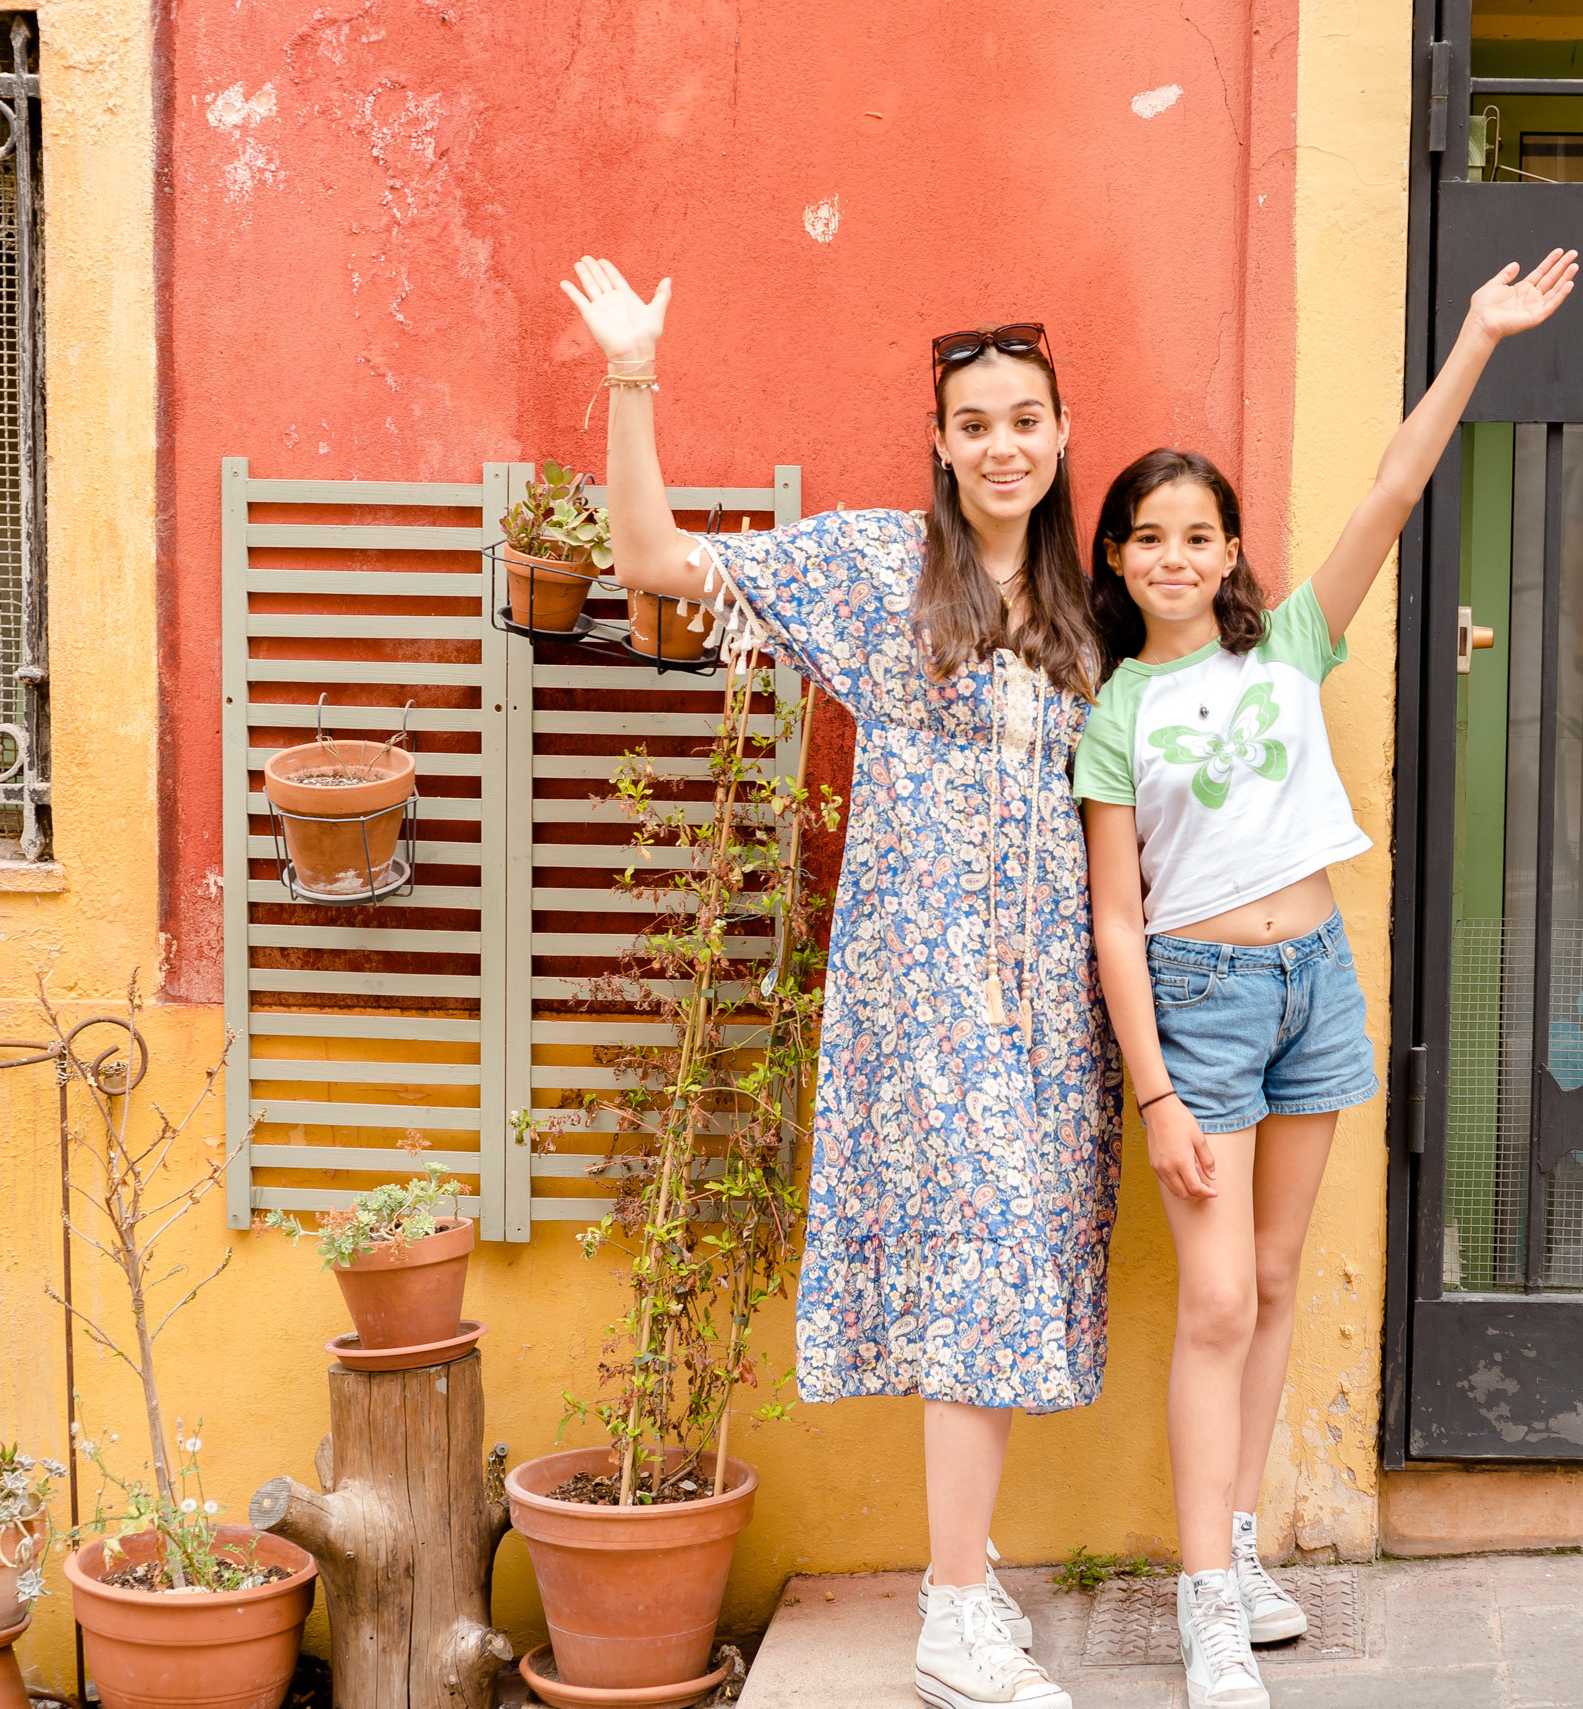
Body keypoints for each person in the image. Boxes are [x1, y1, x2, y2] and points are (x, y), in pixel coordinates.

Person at [560, 259, 1119, 1709]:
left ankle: (967, 1580)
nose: (1004, 445)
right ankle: (950, 1607)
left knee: (993, 1269)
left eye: (1028, 420)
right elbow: (656, 561)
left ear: (1062, 434)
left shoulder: (1083, 599)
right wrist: (633, 376)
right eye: (976, 422)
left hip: (1049, 990)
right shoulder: (879, 567)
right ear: (938, 440)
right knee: (986, 1249)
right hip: (921, 975)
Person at [1076, 248, 1577, 1709]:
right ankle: (1204, 1600)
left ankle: (1235, 1540)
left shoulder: (1289, 650)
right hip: (1202, 1008)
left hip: (1315, 986)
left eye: (1200, 533)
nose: (1175, 555)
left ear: (1234, 551)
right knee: (1217, 1300)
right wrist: (1156, 1088)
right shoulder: (1116, 712)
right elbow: (1117, 918)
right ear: (1117, 559)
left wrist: (1479, 336)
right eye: (1148, 536)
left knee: (1280, 1276)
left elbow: (1392, 492)